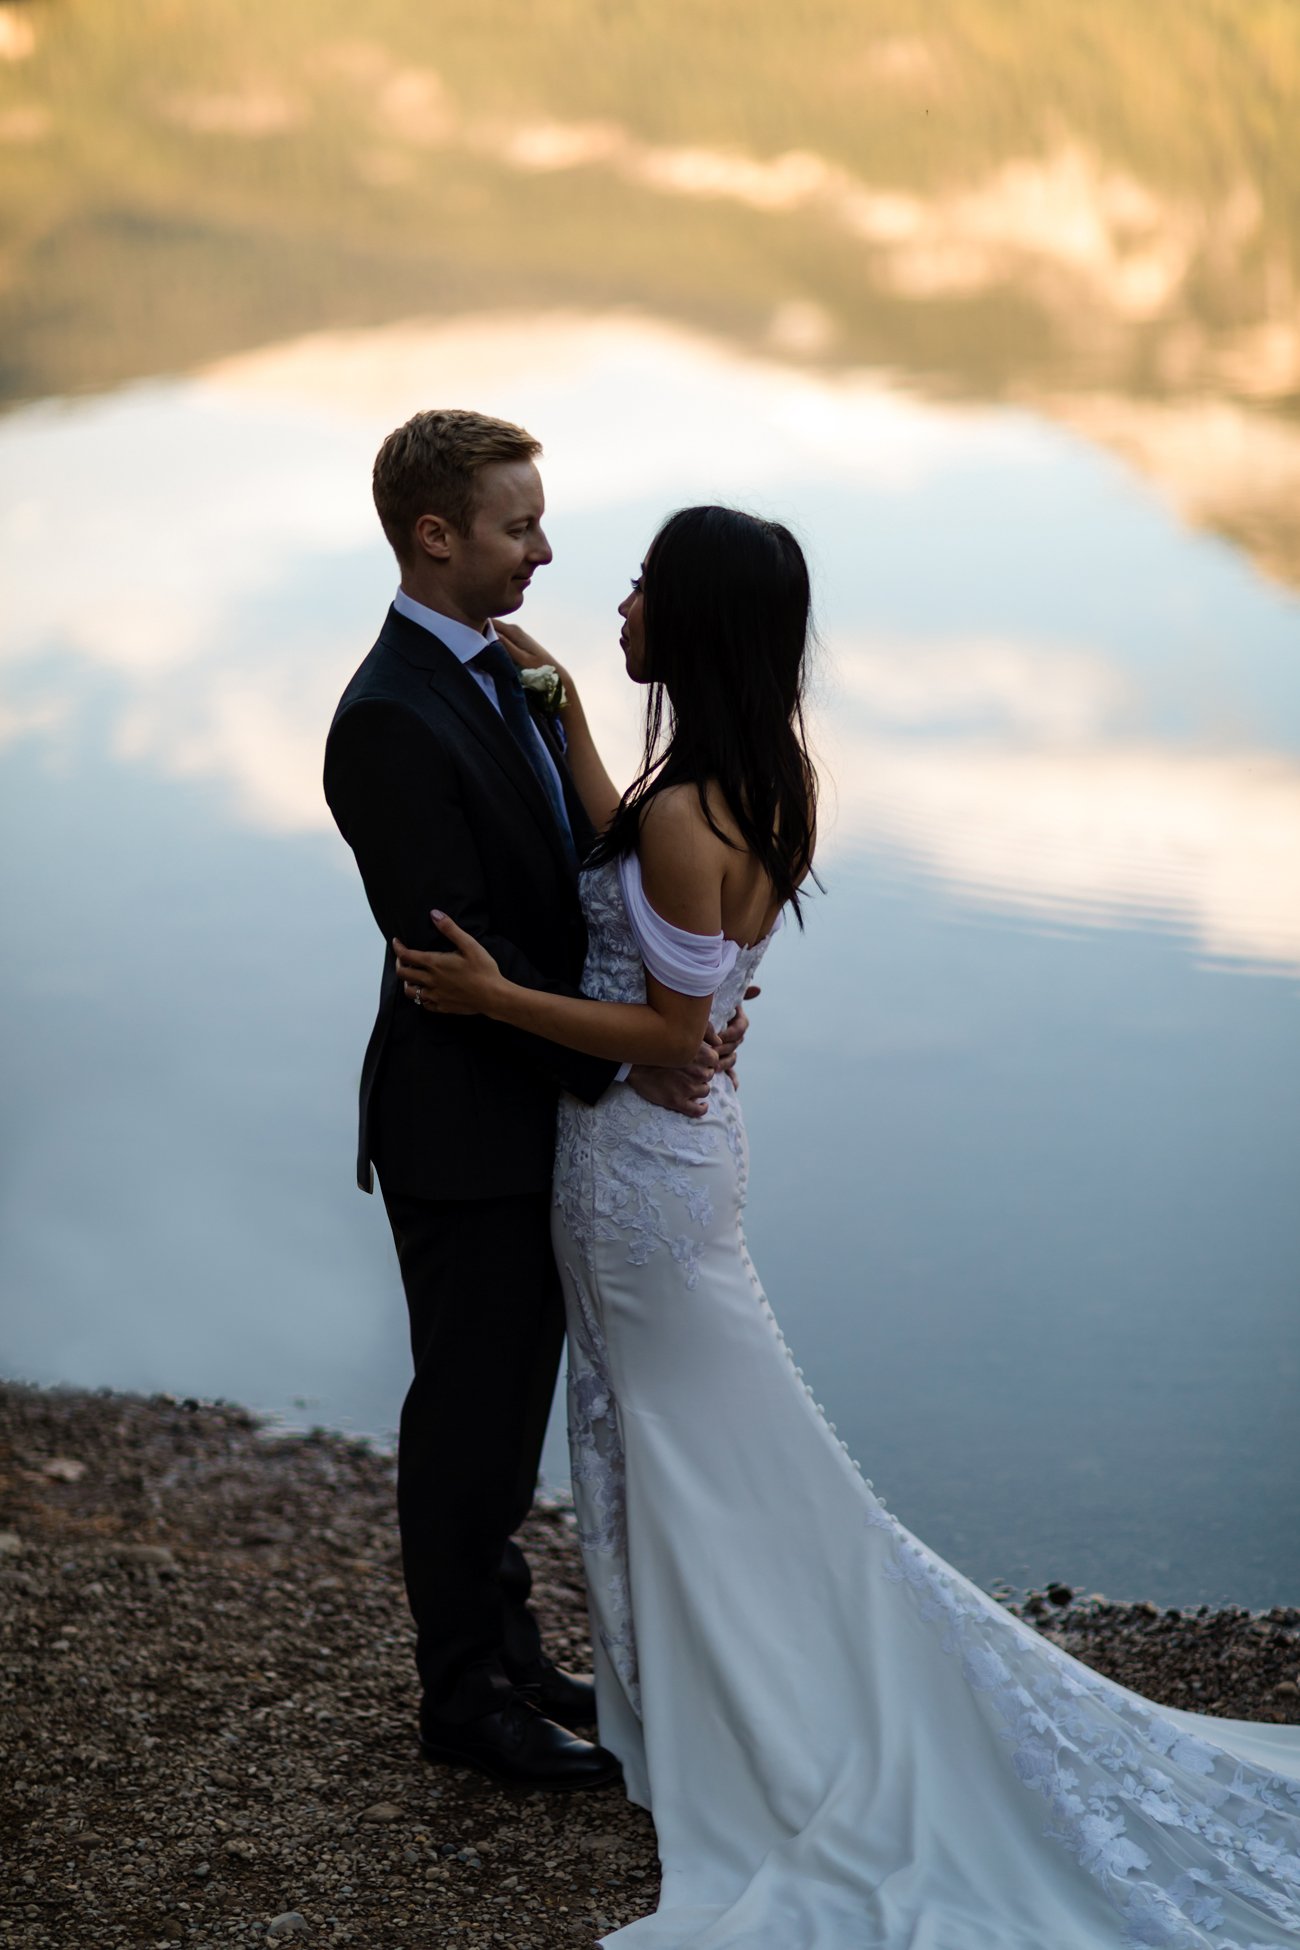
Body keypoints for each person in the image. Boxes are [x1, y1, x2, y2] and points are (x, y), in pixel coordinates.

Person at [396, 504, 1300, 1948]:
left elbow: (664, 1029)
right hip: (662, 1167)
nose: (613, 601)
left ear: (688, 622)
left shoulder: (692, 813)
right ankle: (700, 1697)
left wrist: (498, 999)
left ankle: (764, 1716)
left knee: (704, 1456)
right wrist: (558, 698)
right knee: (695, 1445)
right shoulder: (736, 780)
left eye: (637, 589)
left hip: (639, 1172)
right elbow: (638, 887)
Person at [323, 411, 749, 1795]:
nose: (545, 549)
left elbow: (584, 872)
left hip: (541, 1108)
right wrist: (637, 1047)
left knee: (505, 1413)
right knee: (467, 1418)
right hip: (466, 1123)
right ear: (434, 535)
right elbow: (465, 959)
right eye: (518, 527)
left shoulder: (509, 674)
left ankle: (508, 1648)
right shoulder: (388, 718)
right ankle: (462, 1699)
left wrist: (674, 1012)